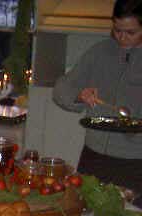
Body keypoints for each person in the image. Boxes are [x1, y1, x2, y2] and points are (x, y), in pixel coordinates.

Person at [53, 0, 142, 205]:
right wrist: (79, 95)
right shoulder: (99, 52)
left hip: (135, 163)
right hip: (94, 158)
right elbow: (60, 90)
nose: (122, 37)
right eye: (117, 30)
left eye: (131, 32)